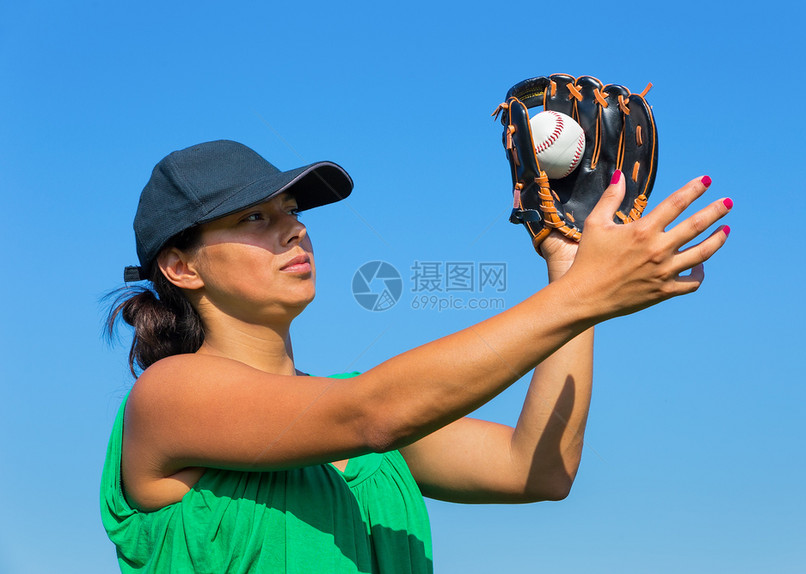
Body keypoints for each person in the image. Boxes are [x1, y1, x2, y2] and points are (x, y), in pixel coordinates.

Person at [101, 139, 731, 573]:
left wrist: (569, 269)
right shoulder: (169, 397)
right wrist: (584, 294)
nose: (294, 229)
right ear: (181, 266)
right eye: (255, 217)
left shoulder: (362, 427)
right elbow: (371, 413)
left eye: (291, 211)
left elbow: (537, 469)